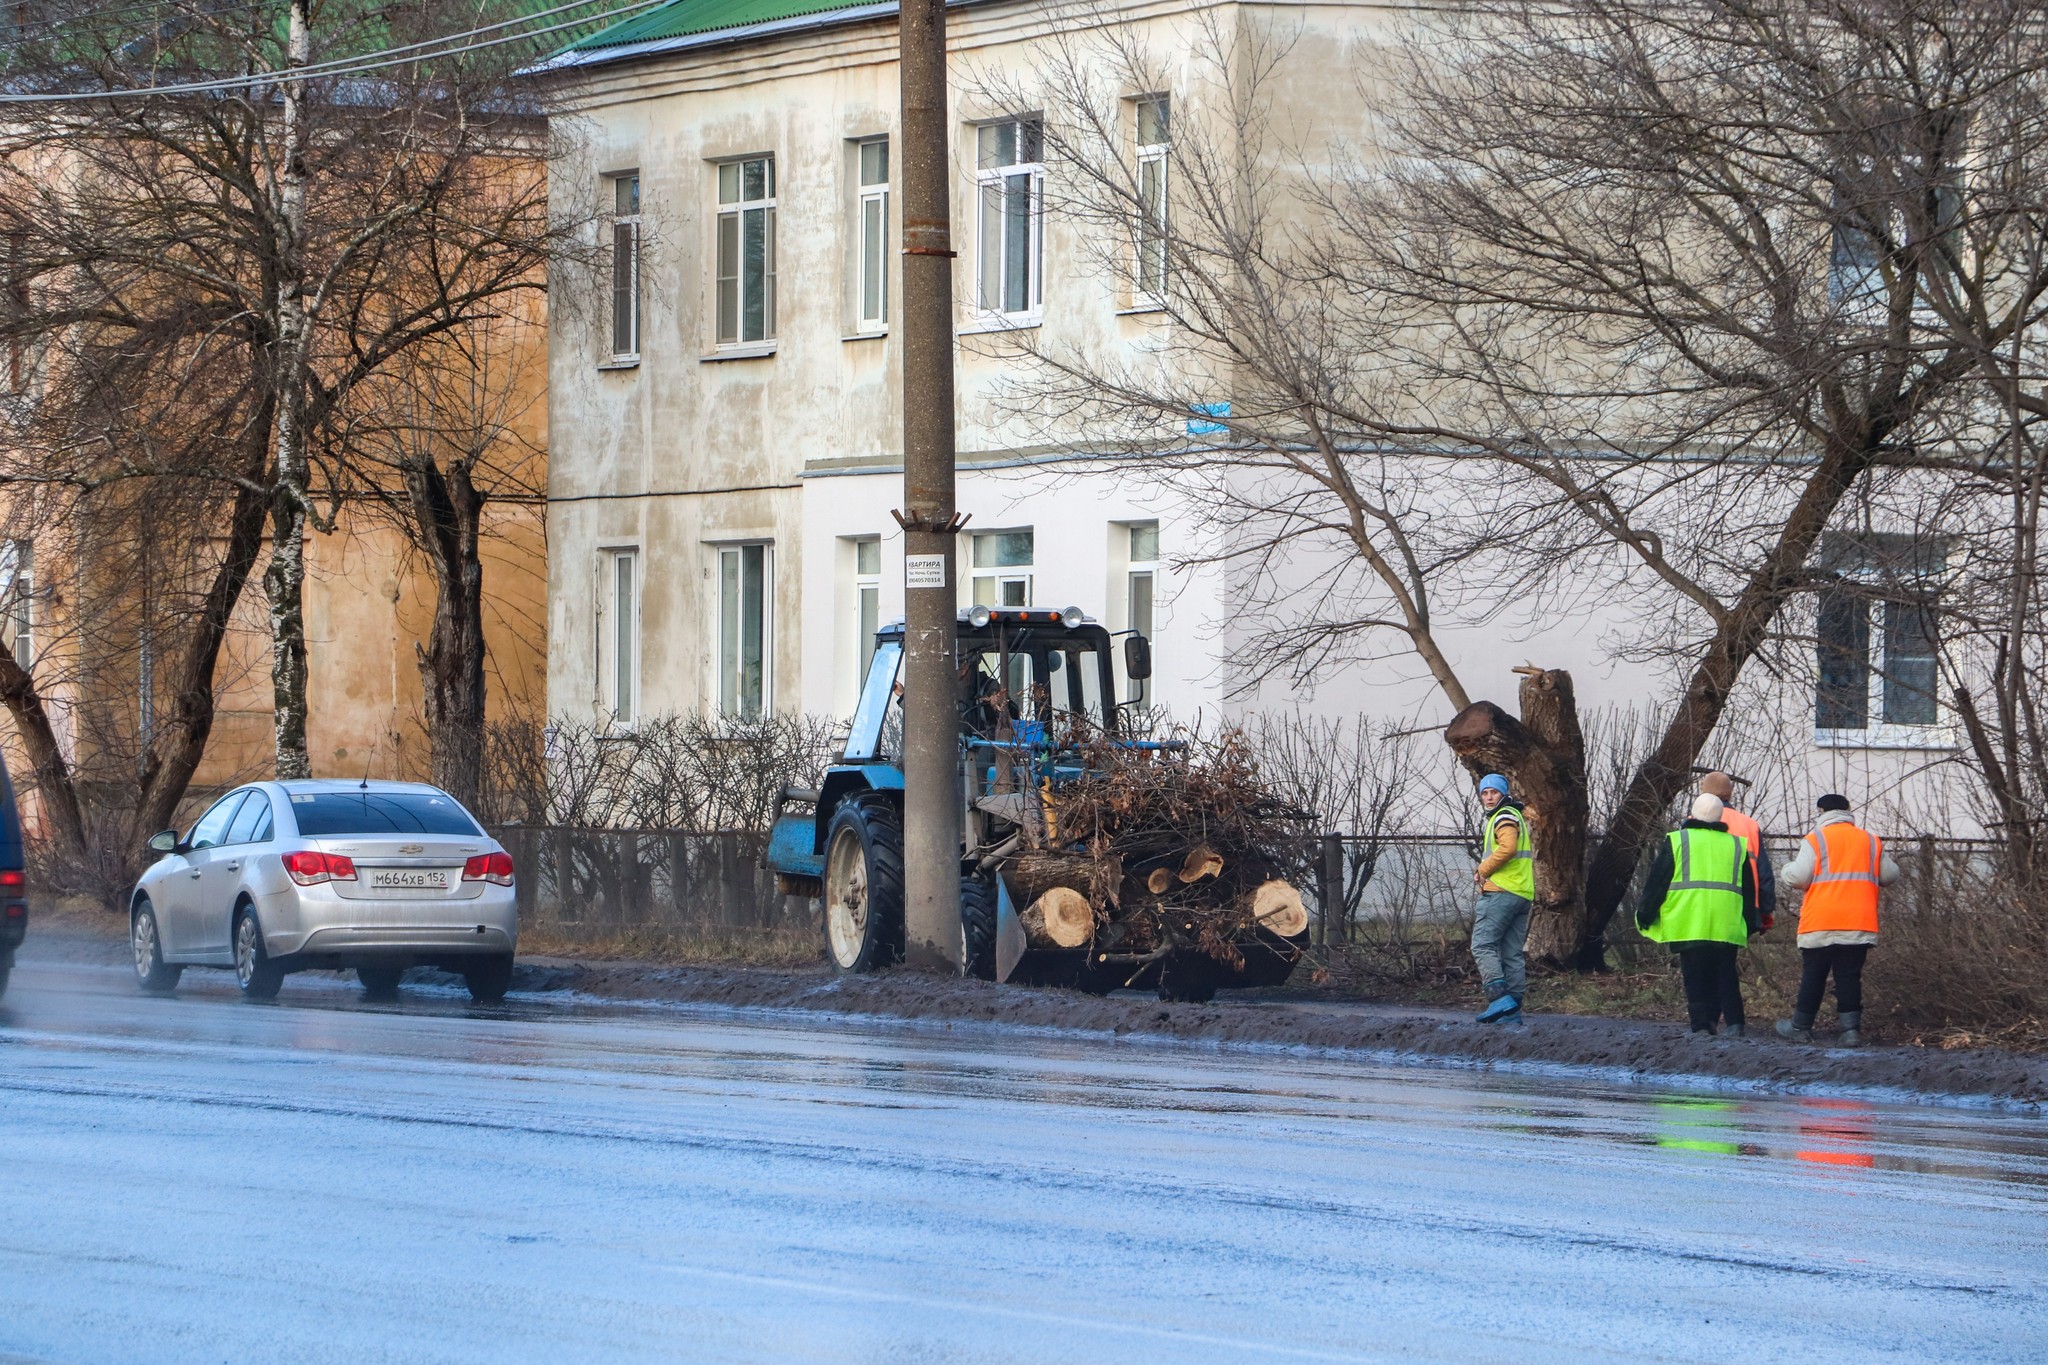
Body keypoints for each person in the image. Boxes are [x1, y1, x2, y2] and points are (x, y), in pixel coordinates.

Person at [1776, 793, 1898, 1046]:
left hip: (1820, 921)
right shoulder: (1870, 840)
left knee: (1814, 974)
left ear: (1821, 812)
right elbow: (1889, 875)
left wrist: (1785, 869)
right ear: (1848, 811)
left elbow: (1799, 877)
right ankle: (1850, 1032)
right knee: (1849, 976)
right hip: (1858, 921)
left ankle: (1800, 1026)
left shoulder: (1816, 839)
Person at [1635, 793, 1761, 1036]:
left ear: (1692, 814)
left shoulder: (1678, 840)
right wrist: (1750, 919)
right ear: (1719, 816)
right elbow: (1747, 887)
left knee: (1695, 976)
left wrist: (1645, 913)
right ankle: (1735, 1023)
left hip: (1689, 921)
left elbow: (1658, 882)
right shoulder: (1736, 844)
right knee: (1725, 974)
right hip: (1726, 922)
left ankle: (1702, 1025)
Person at [1469, 773, 1533, 1024]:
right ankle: (1512, 1013)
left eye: (1493, 792)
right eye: (1484, 793)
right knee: (1511, 953)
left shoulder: (1504, 816)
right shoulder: (1515, 815)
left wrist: (1482, 870)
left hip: (1502, 892)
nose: (1488, 797)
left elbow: (1508, 848)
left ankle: (1498, 999)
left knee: (1482, 945)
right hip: (1522, 892)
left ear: (1503, 794)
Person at [1699, 771, 1776, 933]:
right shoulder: (1749, 825)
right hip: (1741, 907)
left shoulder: (1693, 822)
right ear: (1730, 793)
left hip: (1699, 907)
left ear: (1703, 793)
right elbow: (1764, 873)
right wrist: (1765, 910)